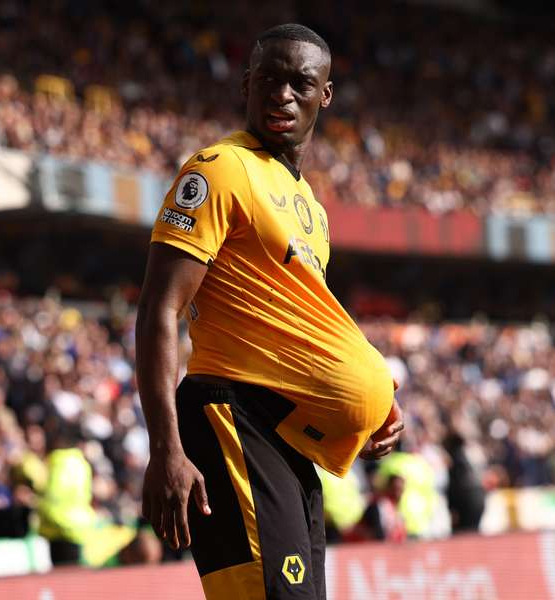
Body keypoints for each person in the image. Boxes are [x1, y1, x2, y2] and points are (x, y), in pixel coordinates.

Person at [135, 23, 404, 600]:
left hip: (290, 440)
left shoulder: (311, 207)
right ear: (246, 86)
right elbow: (160, 309)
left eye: (300, 84)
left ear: (324, 95)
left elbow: (306, 327)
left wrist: (372, 404)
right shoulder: (219, 169)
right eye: (269, 81)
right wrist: (166, 449)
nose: (283, 95)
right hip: (234, 418)